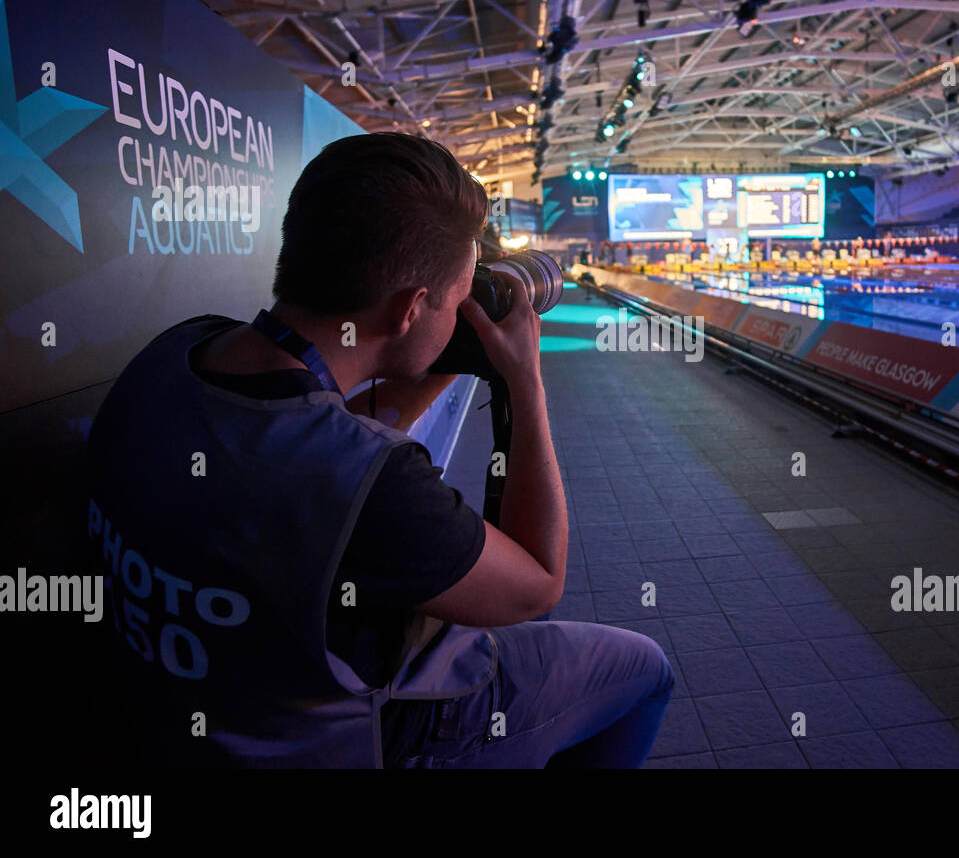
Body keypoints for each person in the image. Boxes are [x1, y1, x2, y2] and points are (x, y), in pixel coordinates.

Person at [86, 133, 673, 768]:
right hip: (352, 740)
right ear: (410, 308)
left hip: (186, 713)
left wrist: (447, 347)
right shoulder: (373, 484)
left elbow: (321, 416)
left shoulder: (174, 355)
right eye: (455, 301)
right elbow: (534, 588)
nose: (460, 311)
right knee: (645, 669)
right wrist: (524, 382)